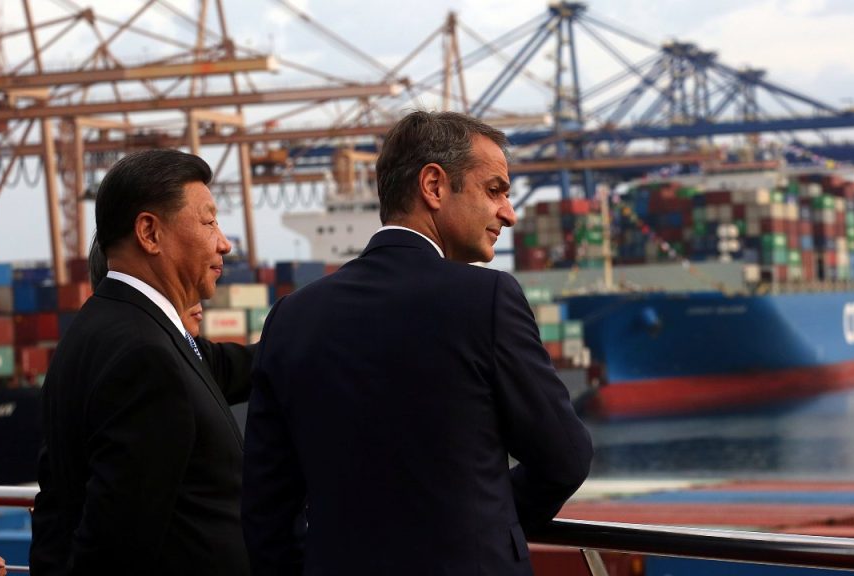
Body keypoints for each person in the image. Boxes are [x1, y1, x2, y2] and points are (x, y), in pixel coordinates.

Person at [242, 111, 593, 575]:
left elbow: (267, 510)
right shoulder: (487, 297)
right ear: (433, 186)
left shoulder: (291, 315)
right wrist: (483, 526)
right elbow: (564, 458)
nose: (508, 213)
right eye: (495, 190)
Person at [31, 149, 250, 576]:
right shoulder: (145, 357)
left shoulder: (101, 327)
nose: (223, 242)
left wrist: (312, 327)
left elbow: (221, 367)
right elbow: (115, 548)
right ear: (149, 233)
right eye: (209, 222)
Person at [86, 237, 254, 389]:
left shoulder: (190, 351)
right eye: (182, 278)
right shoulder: (148, 361)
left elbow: (247, 363)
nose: (201, 295)